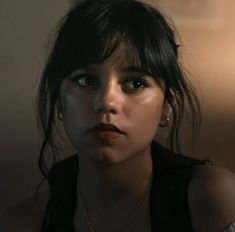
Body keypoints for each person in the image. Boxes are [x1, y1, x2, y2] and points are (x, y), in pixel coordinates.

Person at [1, 0, 235, 231]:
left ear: (168, 104)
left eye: (135, 82)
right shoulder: (24, 222)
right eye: (86, 80)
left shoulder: (212, 199)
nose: (107, 102)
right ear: (59, 99)